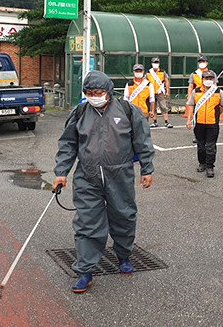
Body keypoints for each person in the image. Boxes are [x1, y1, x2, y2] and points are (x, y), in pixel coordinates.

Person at [53, 70, 155, 293]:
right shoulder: (80, 112)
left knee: (124, 217)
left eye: (98, 92)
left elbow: (142, 141)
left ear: (108, 91)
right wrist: (61, 172)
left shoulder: (128, 111)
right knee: (87, 222)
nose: (94, 96)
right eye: (89, 92)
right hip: (87, 177)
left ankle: (124, 256)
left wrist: (147, 168)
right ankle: (85, 270)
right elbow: (68, 144)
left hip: (120, 175)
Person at [185, 70, 223, 178]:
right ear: (202, 80)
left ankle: (210, 166)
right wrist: (189, 120)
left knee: (211, 146)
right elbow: (191, 105)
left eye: (211, 79)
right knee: (201, 146)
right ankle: (202, 163)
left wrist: (216, 114)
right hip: (199, 123)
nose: (208, 80)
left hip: (212, 124)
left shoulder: (218, 91)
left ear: (214, 80)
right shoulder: (196, 91)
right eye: (206, 78)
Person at [147, 57, 173, 128]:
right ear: (151, 63)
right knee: (153, 108)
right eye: (154, 62)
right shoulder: (148, 72)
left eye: (157, 62)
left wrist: (167, 91)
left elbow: (167, 81)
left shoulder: (162, 72)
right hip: (151, 93)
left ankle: (166, 122)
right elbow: (145, 82)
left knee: (163, 107)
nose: (155, 64)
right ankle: (154, 122)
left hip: (160, 92)